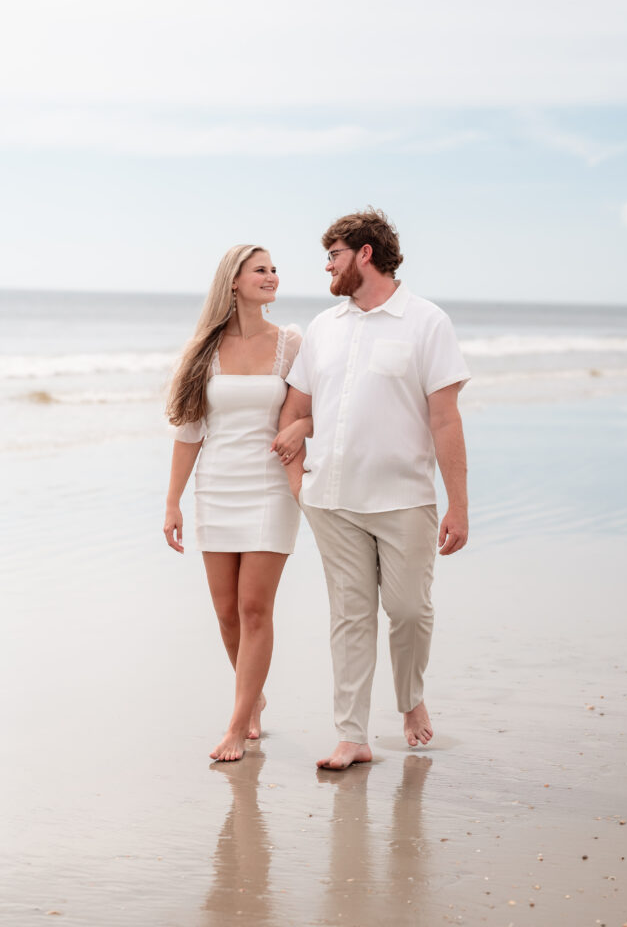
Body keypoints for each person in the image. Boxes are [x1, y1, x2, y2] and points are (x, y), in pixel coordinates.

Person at [278, 209, 470, 770]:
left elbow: (445, 421)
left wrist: (458, 505)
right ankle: (352, 735)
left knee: (409, 610)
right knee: (350, 616)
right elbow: (299, 409)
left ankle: (410, 699)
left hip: (404, 498)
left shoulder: (427, 322)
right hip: (332, 502)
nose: (328, 268)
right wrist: (300, 486)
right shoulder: (324, 326)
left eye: (333, 256)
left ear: (364, 254)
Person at [164, 245, 310, 762]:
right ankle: (255, 694)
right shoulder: (201, 349)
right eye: (260, 270)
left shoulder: (291, 343)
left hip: (270, 487)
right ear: (233, 282)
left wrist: (302, 426)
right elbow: (189, 430)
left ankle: (237, 721)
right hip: (216, 488)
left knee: (254, 608)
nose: (272, 276)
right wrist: (173, 503)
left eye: (273, 269)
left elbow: (317, 406)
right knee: (226, 614)